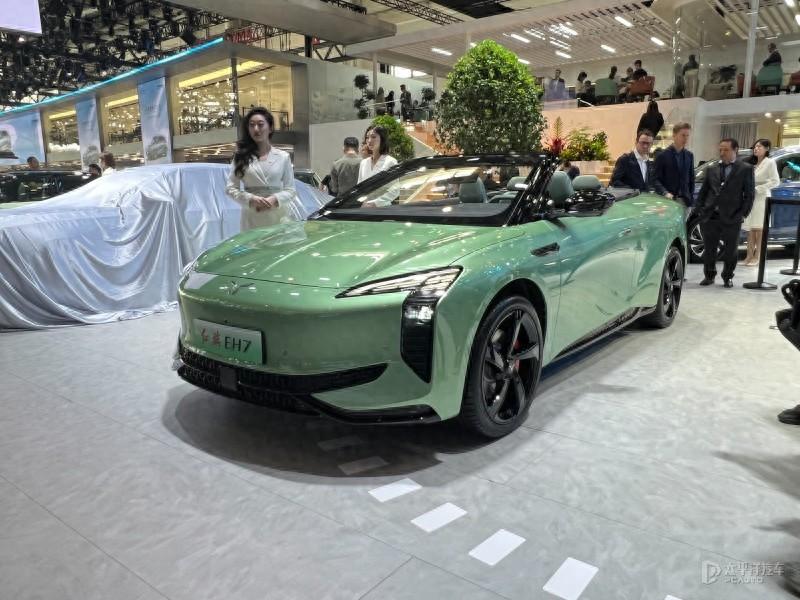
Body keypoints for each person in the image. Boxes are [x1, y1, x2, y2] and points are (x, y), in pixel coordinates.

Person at [695, 137, 755, 287]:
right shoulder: (712, 168)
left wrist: (742, 214)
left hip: (732, 216)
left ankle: (727, 277)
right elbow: (704, 192)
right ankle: (709, 276)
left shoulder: (745, 169)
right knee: (709, 249)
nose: (722, 153)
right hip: (710, 216)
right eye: (720, 150)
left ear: (735, 150)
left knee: (731, 250)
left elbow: (749, 195)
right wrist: (700, 210)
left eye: (726, 150)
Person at [225, 107, 296, 231]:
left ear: (270, 128)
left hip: (277, 215)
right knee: (254, 243)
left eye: (260, 124)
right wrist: (250, 199)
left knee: (278, 242)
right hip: (252, 215)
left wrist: (275, 199)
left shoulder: (283, 157)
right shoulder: (241, 157)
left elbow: (291, 190)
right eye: (252, 125)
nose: (256, 129)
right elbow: (230, 188)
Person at [742, 139, 780, 266]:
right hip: (751, 199)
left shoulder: (770, 162)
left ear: (766, 148)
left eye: (759, 147)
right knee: (751, 229)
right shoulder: (752, 163)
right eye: (755, 146)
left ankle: (757, 257)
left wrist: (758, 188)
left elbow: (775, 181)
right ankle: (748, 256)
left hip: (762, 198)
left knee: (759, 229)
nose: (756, 149)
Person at [654, 122, 695, 206]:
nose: (686, 139)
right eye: (683, 135)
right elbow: (655, 179)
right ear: (674, 135)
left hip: (686, 201)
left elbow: (691, 179)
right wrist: (665, 193)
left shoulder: (689, 155)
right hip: (668, 200)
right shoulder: (662, 155)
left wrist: (690, 196)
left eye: (687, 136)